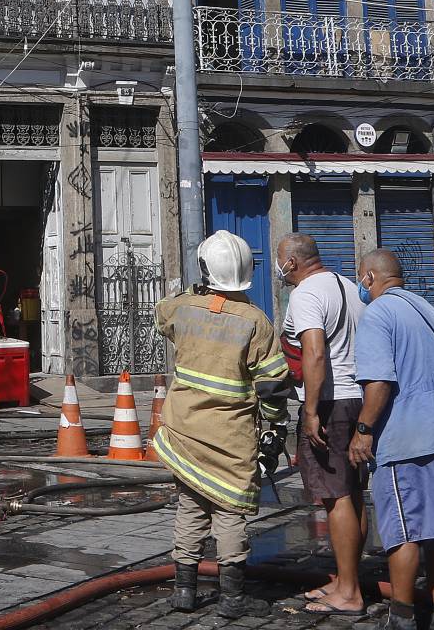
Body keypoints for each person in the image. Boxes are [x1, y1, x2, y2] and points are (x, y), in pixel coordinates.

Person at [151, 230, 292, 615]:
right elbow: (274, 387)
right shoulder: (255, 322)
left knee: (190, 506)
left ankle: (184, 591)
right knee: (229, 513)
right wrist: (276, 428)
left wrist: (197, 292)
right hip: (230, 437)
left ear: (205, 270)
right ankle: (231, 598)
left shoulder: (183, 309)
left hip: (184, 430)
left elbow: (162, 311)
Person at [348, 248, 434, 630]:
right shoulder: (432, 313)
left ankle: (402, 615)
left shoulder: (377, 314)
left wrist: (363, 430)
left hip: (405, 437)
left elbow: (379, 383)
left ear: (370, 278)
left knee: (402, 531)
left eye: (361, 278)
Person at [275, 232, 370, 618]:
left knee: (336, 496)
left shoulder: (305, 295)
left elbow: (314, 352)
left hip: (331, 402)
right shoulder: (348, 287)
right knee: (353, 492)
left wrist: (311, 411)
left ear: (293, 263)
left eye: (282, 261)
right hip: (357, 399)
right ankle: (347, 578)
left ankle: (349, 592)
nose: (280, 268)